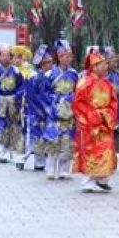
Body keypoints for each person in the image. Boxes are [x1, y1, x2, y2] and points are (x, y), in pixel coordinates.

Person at [73, 50, 119, 193]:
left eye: (105, 64)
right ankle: (87, 181)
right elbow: (78, 104)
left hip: (104, 121)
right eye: (102, 64)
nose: (106, 67)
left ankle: (102, 179)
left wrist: (108, 114)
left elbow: (114, 102)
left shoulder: (107, 83)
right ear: (94, 66)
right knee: (90, 150)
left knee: (106, 149)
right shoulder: (84, 83)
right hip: (90, 123)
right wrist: (92, 116)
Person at [44, 41, 78, 180]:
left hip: (69, 111)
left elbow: (77, 91)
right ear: (58, 57)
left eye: (69, 56)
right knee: (53, 139)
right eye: (64, 56)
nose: (67, 59)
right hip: (55, 110)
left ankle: (65, 169)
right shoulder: (50, 74)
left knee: (67, 140)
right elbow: (45, 93)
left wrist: (71, 100)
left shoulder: (74, 74)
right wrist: (55, 103)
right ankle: (51, 168)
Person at [0, 46, 26, 164]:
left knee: (13, 126)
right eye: (3, 55)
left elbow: (21, 86)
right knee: (1, 126)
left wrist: (16, 96)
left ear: (11, 57)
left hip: (13, 100)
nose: (5, 57)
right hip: (1, 100)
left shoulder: (16, 71)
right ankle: (2, 153)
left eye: (8, 55)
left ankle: (11, 151)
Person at [19, 45, 51, 171]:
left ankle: (39, 163)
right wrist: (42, 108)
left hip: (43, 111)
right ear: (42, 64)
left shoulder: (45, 77)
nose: (50, 65)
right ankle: (22, 159)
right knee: (33, 138)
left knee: (42, 138)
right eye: (48, 63)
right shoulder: (34, 78)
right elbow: (32, 97)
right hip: (34, 112)